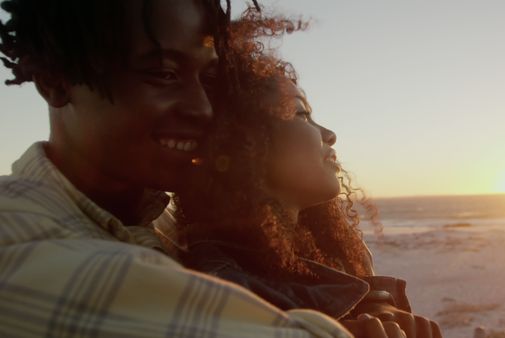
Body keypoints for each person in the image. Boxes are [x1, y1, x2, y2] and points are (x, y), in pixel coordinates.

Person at [0, 0, 397, 336]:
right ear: (55, 79)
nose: (202, 108)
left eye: (205, 79)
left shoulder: (172, 226)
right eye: (164, 73)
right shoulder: (21, 243)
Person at [169, 24, 442, 337]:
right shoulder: (231, 292)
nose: (329, 134)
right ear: (242, 142)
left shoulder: (300, 248)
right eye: (301, 115)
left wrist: (376, 303)